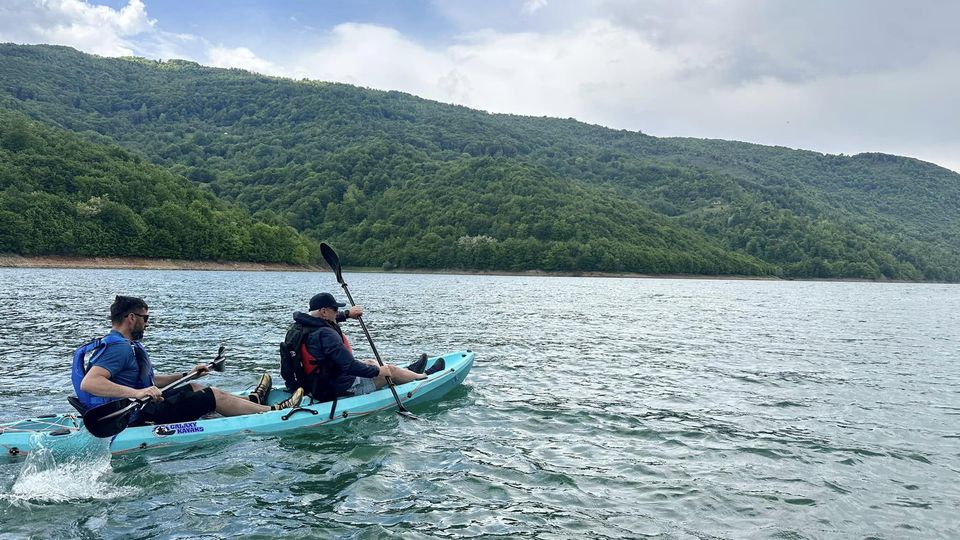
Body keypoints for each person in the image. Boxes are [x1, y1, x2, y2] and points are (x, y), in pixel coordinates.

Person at [74, 295, 302, 426]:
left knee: (193, 386)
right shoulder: (118, 348)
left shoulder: (123, 344)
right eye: (146, 318)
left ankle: (253, 401)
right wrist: (136, 394)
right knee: (211, 395)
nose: (148, 323)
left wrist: (186, 374)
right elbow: (90, 383)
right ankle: (272, 411)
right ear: (131, 318)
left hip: (140, 407)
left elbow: (149, 380)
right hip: (137, 414)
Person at [288, 292, 444, 401]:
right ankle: (423, 376)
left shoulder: (300, 327)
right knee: (388, 370)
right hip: (337, 388)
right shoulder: (326, 334)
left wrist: (347, 314)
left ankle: (410, 372)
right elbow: (350, 366)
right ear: (323, 311)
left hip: (314, 384)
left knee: (370, 361)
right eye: (335, 309)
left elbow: (327, 321)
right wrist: (379, 371)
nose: (337, 312)